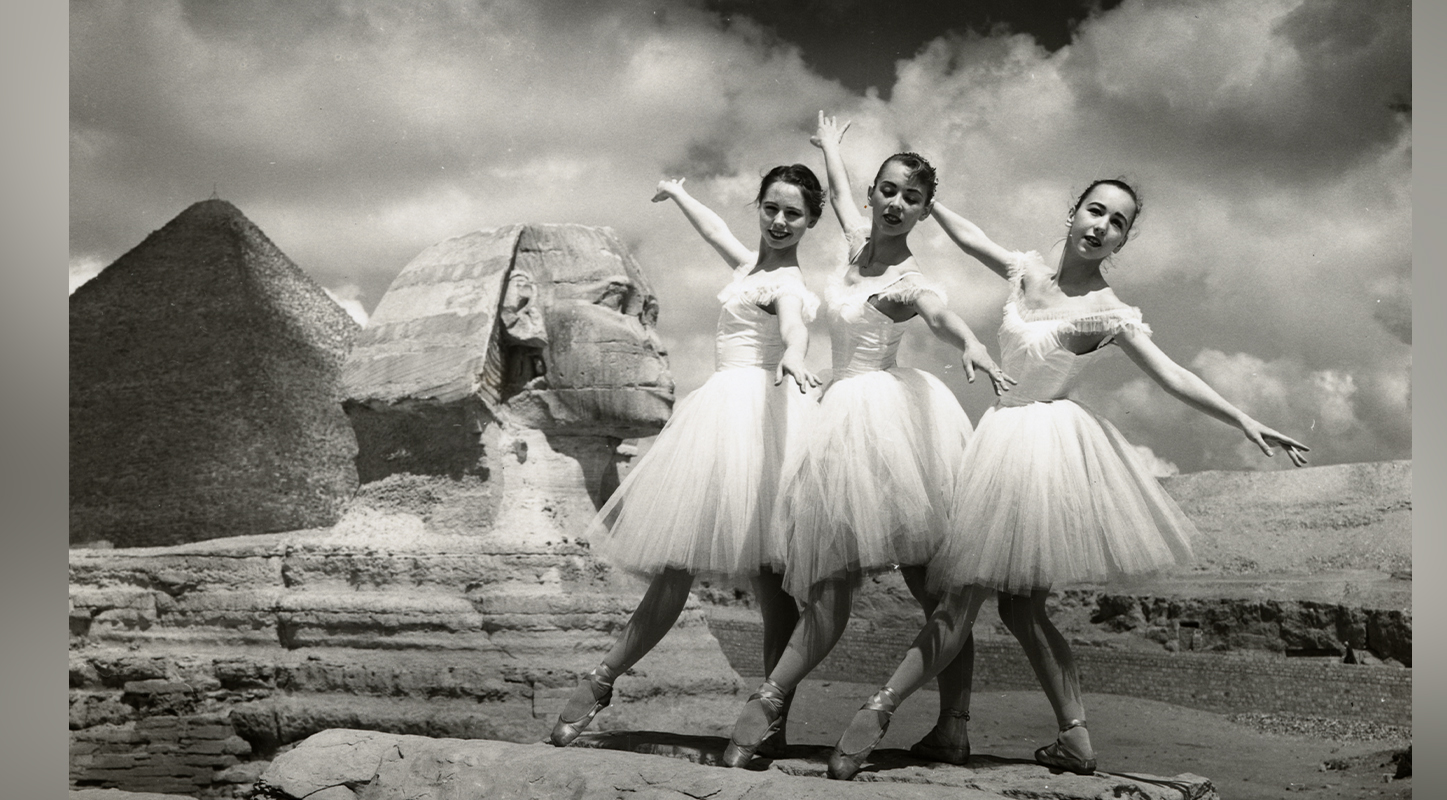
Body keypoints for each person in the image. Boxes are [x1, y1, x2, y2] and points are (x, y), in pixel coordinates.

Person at [825, 178, 1311, 779]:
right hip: (999, 440)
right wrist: (930, 200)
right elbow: (972, 238)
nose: (1102, 225)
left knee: (963, 601)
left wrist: (1242, 418)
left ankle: (877, 712)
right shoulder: (1026, 270)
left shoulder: (1108, 313)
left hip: (1036, 452)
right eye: (1095, 210)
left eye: (1118, 222)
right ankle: (1071, 737)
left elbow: (1171, 374)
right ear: (1074, 212)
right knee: (1022, 612)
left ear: (1122, 241)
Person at [719, 113, 1016, 769]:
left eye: (910, 198)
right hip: (836, 417)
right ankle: (769, 706)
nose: (894, 203)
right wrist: (832, 152)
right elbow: (846, 199)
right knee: (828, 585)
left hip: (893, 427)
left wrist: (971, 345)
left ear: (925, 211)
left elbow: (939, 314)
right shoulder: (856, 240)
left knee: (932, 591)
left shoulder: (910, 281)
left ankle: (952, 725)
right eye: (888, 189)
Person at [547, 166, 829, 747]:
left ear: (812, 221)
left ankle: (771, 719)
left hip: (762, 418)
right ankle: (601, 681)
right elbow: (716, 232)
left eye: (793, 213)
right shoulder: (750, 267)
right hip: (723, 417)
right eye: (771, 208)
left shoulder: (789, 286)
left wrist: (797, 354)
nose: (779, 221)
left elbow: (795, 326)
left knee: (774, 582)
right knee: (677, 568)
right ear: (760, 206)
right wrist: (679, 196)